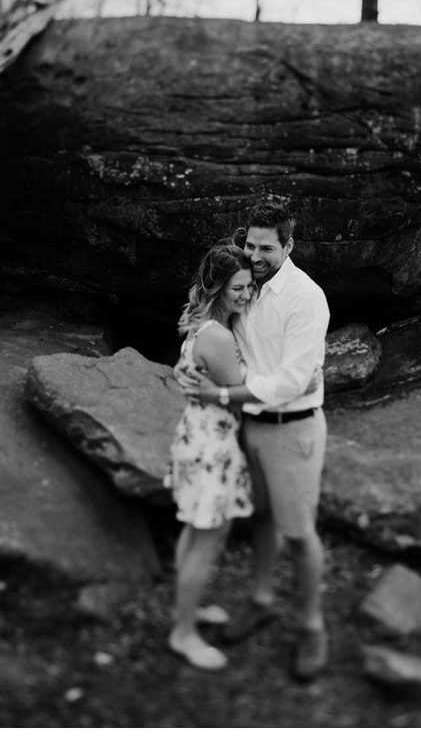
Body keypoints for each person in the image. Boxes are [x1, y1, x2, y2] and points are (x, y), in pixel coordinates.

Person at [178, 201, 331, 682]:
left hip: (294, 428)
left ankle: (312, 625)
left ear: (289, 245)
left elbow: (292, 382)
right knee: (262, 517)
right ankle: (262, 600)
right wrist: (190, 363)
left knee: (300, 532)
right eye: (250, 244)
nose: (256, 253)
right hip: (251, 426)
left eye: (268, 246)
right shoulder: (244, 286)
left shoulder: (305, 297)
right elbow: (213, 330)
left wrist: (222, 391)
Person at [166, 240, 256, 671]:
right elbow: (241, 396)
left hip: (196, 437)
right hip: (212, 448)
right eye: (238, 287)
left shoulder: (203, 324)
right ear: (218, 288)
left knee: (194, 529)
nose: (246, 294)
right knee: (209, 538)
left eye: (249, 286)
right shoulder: (219, 337)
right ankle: (184, 633)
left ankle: (187, 607)